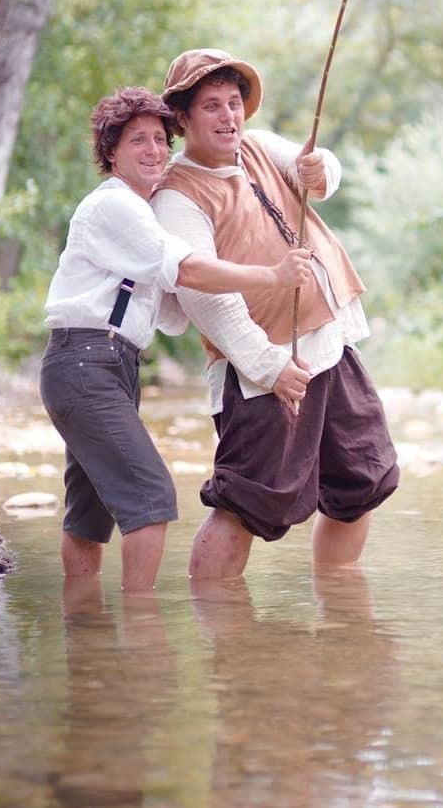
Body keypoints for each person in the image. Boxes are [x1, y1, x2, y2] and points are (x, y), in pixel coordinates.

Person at [40, 86, 311, 592]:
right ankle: (142, 630)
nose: (154, 151)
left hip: (106, 364)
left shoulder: (144, 212)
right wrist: (271, 276)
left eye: (161, 140)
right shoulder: (114, 207)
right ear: (111, 152)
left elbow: (173, 314)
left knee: (89, 513)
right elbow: (186, 269)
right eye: (137, 140)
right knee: (151, 497)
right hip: (85, 363)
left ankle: (83, 628)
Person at [151, 48, 399, 578]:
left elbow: (319, 168)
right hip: (259, 371)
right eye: (212, 106)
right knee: (247, 501)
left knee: (362, 480)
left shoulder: (261, 148)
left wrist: (319, 169)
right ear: (182, 118)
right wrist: (268, 366)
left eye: (234, 103)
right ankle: (224, 637)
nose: (228, 117)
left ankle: (340, 613)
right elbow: (203, 294)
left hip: (329, 345)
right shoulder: (176, 196)